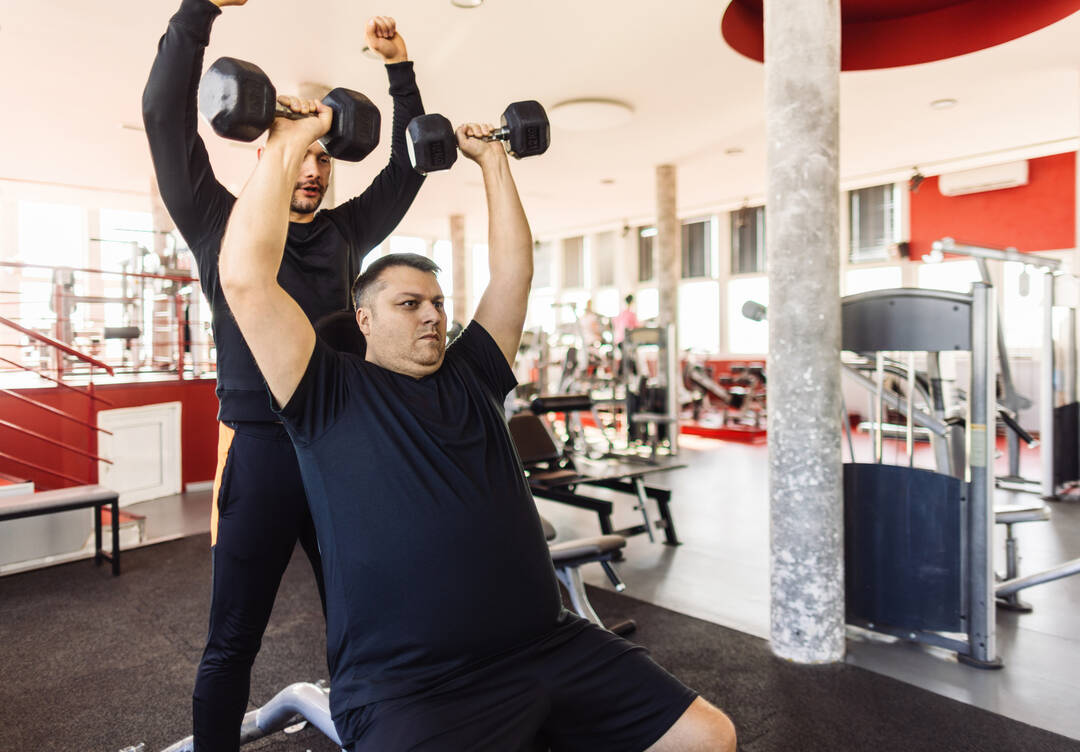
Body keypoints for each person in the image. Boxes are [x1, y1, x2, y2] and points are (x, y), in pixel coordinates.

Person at [217, 100, 737, 751]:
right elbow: (244, 278)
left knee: (710, 738)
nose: (432, 316)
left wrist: (494, 160)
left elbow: (514, 271)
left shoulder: (473, 374)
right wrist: (290, 142)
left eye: (437, 303)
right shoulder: (324, 391)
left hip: (550, 645)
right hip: (409, 686)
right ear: (365, 321)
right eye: (409, 304)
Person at [141, 1, 426, 747]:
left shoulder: (343, 234)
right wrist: (198, 12)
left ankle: (373, 733)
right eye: (298, 151)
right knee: (233, 638)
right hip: (263, 456)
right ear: (267, 151)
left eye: (324, 157)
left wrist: (400, 71)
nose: (313, 166)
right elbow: (164, 116)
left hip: (338, 450)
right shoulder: (216, 225)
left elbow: (408, 168)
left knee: (361, 621)